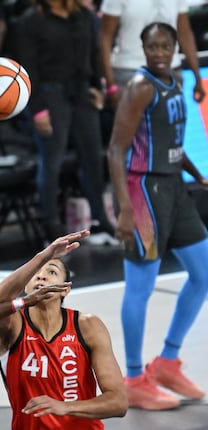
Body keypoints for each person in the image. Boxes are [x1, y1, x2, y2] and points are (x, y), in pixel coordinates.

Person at [107, 22, 208, 410]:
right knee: (140, 287)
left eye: (167, 45)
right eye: (153, 46)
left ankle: (167, 361)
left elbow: (171, 143)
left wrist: (198, 175)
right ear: (144, 49)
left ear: (177, 48)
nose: (160, 52)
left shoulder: (178, 80)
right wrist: (124, 210)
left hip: (174, 188)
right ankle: (133, 377)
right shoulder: (140, 87)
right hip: (143, 190)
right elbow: (116, 150)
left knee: (202, 273)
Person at [0, 230, 128, 429]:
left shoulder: (87, 326)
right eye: (35, 274)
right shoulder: (13, 325)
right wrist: (43, 256)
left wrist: (65, 406)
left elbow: (118, 402)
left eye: (51, 272)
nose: (41, 277)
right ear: (26, 286)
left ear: (65, 288)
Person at [17, 0, 117, 245]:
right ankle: (51, 225)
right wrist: (38, 109)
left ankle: (100, 218)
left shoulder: (84, 15)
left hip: (82, 92)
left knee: (92, 158)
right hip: (50, 94)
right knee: (52, 161)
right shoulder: (31, 21)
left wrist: (97, 87)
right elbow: (29, 68)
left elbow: (93, 54)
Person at [99, 0, 205, 110]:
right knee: (132, 126)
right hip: (129, 71)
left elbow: (184, 33)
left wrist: (197, 77)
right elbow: (105, 37)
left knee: (172, 125)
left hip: (170, 71)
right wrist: (110, 84)